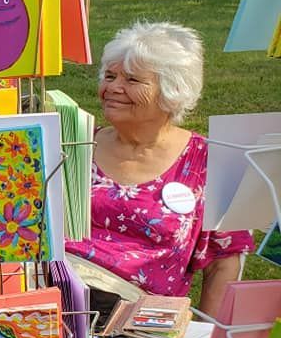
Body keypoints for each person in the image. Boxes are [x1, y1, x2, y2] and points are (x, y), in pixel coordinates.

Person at [65, 22, 253, 315]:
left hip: (144, 319)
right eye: (110, 76)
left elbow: (224, 260)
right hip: (59, 299)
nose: (113, 88)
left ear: (172, 91)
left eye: (132, 80)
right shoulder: (75, 145)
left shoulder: (214, 160)